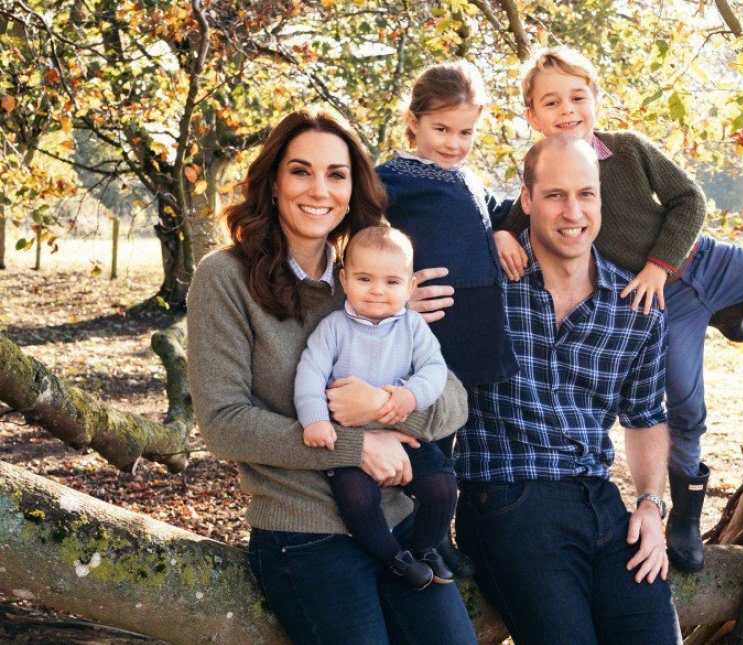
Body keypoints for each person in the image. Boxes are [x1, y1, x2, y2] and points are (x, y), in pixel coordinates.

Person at [493, 48, 743, 573]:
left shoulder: (627, 150)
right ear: (532, 115)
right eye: (550, 102)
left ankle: (730, 309)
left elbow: (689, 200)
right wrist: (499, 234)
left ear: (595, 99)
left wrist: (657, 264)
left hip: (703, 263)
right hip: (665, 307)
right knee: (684, 409)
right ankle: (686, 521)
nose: (567, 110)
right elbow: (518, 215)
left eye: (578, 96)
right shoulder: (544, 174)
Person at [187, 108, 476, 644]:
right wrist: (356, 446)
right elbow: (224, 424)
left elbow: (454, 399)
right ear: (273, 182)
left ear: (353, 188)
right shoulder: (224, 278)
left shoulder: (369, 279)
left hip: (399, 519)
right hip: (304, 533)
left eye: (336, 174)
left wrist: (387, 405)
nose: (319, 189)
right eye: (300, 171)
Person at [456, 136, 683, 645]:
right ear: (528, 200)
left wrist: (650, 504)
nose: (573, 212)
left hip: (602, 504)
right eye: (556, 195)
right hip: (507, 496)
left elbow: (645, 416)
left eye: (586, 194)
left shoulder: (636, 307)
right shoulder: (485, 288)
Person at [377, 60, 519, 576]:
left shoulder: (468, 176)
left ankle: (439, 532)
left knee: (453, 432)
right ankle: (423, 535)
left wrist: (503, 230)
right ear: (413, 121)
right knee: (427, 433)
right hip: (433, 326)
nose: (454, 143)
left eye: (466, 132)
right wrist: (392, 288)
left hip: (475, 325)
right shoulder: (392, 177)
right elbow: (357, 234)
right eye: (441, 129)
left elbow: (496, 208)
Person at [294, 226, 457, 589]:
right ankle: (394, 558)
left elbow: (434, 370)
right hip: (349, 440)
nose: (377, 290)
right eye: (364, 278)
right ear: (344, 279)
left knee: (442, 486)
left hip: (399, 434)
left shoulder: (413, 327)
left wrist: (409, 396)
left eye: (391, 281)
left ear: (410, 286)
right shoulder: (333, 328)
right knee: (357, 499)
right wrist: (316, 420)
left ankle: (425, 548)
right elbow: (309, 373)